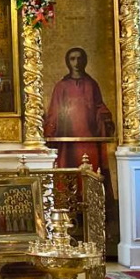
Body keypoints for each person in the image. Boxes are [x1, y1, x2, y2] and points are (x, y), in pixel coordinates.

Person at [44, 47, 115, 184]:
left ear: (85, 61)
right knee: (69, 170)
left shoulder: (92, 84)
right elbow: (54, 111)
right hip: (68, 140)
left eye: (79, 58)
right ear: (68, 62)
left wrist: (105, 118)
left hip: (89, 138)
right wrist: (49, 132)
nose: (76, 62)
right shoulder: (61, 86)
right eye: (72, 59)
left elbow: (99, 106)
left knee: (92, 171)